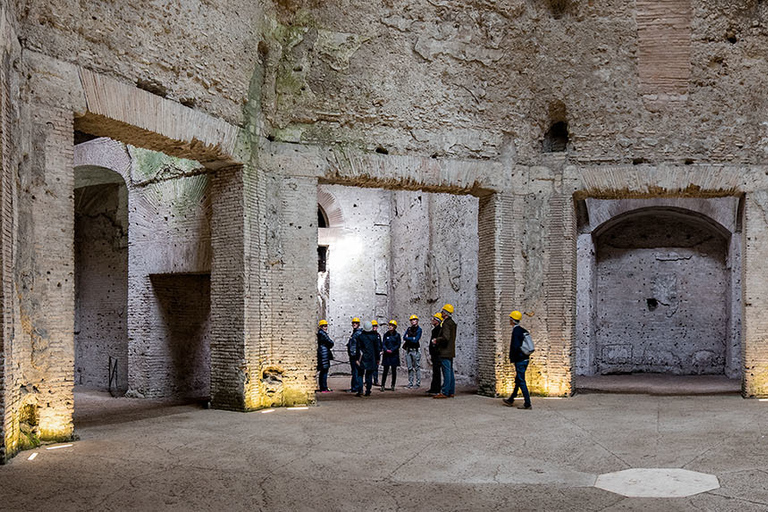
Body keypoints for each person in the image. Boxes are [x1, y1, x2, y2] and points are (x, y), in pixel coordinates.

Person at [503, 310, 532, 409]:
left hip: (519, 360)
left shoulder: (516, 331)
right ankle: (511, 399)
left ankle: (527, 403)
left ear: (512, 320)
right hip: (525, 359)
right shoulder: (523, 330)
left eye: (510, 319)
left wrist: (513, 358)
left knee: (521, 380)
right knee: (518, 380)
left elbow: (515, 346)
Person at [432, 303, 456, 399]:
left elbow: (446, 337)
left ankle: (445, 392)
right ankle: (451, 391)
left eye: (442, 311)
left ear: (445, 313)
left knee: (446, 372)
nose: (441, 313)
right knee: (450, 372)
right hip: (450, 351)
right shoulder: (452, 323)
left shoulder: (446, 323)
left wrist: (436, 340)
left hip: (445, 351)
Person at [357, 321, 381, 396]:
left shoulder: (360, 336)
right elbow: (377, 349)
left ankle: (360, 390)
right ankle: (368, 390)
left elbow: (358, 348)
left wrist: (357, 359)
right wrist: (378, 358)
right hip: (372, 357)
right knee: (369, 375)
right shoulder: (374, 337)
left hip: (363, 357)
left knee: (360, 374)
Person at [380, 320, 401, 391]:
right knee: (385, 371)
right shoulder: (386, 334)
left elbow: (398, 344)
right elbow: (383, 344)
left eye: (392, 325)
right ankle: (382, 385)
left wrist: (392, 350)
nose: (390, 327)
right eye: (389, 325)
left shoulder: (397, 335)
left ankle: (393, 385)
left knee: (394, 371)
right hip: (387, 355)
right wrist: (386, 350)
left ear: (394, 327)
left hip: (394, 355)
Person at [402, 314, 422, 388]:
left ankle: (418, 383)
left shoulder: (419, 330)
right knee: (410, 367)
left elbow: (416, 340)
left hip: (415, 350)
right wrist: (412, 338)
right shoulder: (409, 329)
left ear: (417, 321)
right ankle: (410, 382)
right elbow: (404, 337)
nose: (413, 321)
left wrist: (409, 338)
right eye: (412, 320)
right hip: (408, 350)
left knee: (417, 367)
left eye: (414, 320)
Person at [426, 312, 443, 395]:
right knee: (435, 371)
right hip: (434, 353)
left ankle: (436, 388)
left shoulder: (438, 330)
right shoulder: (436, 330)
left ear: (437, 321)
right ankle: (434, 388)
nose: (432, 320)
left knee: (437, 371)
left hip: (436, 353)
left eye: (434, 319)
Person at [316, 319, 334, 392]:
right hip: (324, 355)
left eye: (326, 326)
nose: (325, 327)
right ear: (321, 327)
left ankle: (323, 387)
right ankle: (324, 388)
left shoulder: (320, 333)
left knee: (323, 372)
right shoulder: (322, 334)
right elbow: (330, 342)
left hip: (323, 354)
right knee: (324, 372)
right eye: (324, 326)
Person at [346, 317, 363, 393]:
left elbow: (357, 346)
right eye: (353, 323)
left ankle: (355, 388)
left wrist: (356, 357)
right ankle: (355, 387)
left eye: (355, 323)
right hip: (353, 355)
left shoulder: (358, 333)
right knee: (354, 371)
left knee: (356, 372)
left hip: (355, 356)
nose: (354, 324)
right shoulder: (355, 333)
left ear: (358, 324)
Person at [371, 319, 382, 386]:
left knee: (376, 368)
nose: (374, 327)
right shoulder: (369, 335)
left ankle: (376, 380)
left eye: (375, 326)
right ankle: (368, 381)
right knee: (369, 368)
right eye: (373, 326)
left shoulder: (378, 335)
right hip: (371, 354)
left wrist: (381, 350)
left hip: (377, 354)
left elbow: (380, 344)